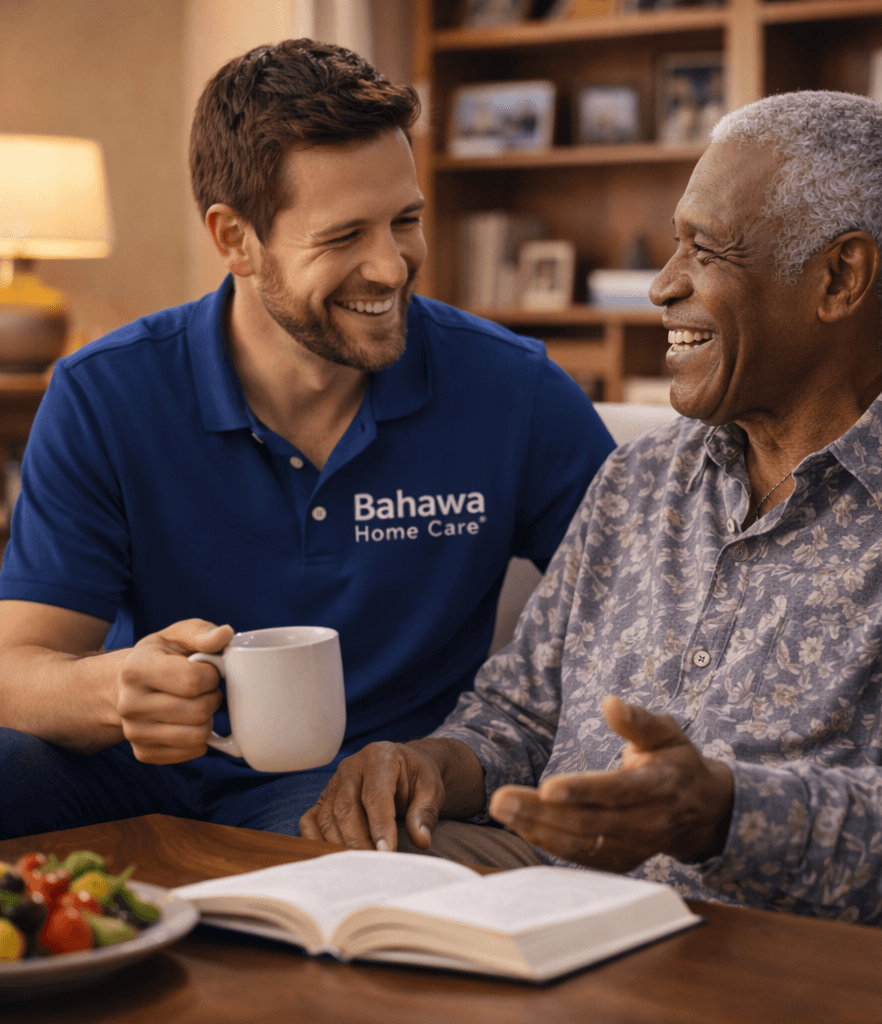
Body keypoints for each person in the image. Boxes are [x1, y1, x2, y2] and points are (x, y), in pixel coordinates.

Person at [312, 90, 882, 929]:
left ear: (839, 278)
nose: (661, 284)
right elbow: (517, 716)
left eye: (706, 251)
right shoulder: (642, 475)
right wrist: (428, 763)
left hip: (767, 934)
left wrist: (722, 815)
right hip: (547, 894)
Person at [0, 40, 614, 839]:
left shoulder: (515, 390)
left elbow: (649, 608)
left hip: (346, 789)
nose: (391, 267)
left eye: (405, 221)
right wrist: (119, 688)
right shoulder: (103, 393)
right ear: (235, 241)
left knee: (343, 851)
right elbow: (17, 667)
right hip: (125, 772)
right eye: (343, 237)